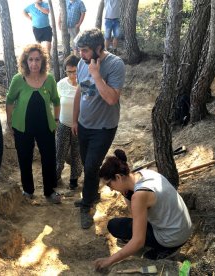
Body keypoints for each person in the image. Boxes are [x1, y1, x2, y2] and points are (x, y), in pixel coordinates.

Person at [94, 150, 192, 270]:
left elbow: (138, 241)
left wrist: (109, 260)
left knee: (114, 226)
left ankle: (165, 251)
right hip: (182, 229)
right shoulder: (144, 173)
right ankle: (162, 246)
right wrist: (125, 194)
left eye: (109, 185)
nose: (111, 189)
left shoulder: (139, 196)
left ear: (118, 177)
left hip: (171, 238)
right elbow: (135, 217)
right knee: (125, 226)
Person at [72, 28, 125, 229]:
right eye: (79, 50)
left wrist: (96, 74)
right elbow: (80, 91)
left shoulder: (115, 64)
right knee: (88, 164)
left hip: (103, 127)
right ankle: (92, 195)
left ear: (98, 48)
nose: (81, 54)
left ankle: (87, 206)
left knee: (92, 166)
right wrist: (75, 120)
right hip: (84, 124)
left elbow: (112, 98)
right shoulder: (81, 63)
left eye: (85, 50)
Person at [6, 44, 61, 204]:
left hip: (45, 127)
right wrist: (9, 121)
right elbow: (9, 100)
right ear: (25, 61)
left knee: (49, 158)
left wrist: (56, 120)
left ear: (42, 61)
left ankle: (49, 191)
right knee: (24, 158)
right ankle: (28, 190)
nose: (34, 63)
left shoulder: (49, 79)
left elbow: (56, 101)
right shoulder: (18, 79)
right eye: (31, 59)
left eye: (37, 59)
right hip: (23, 127)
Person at [55, 54, 82, 190]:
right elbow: (54, 103)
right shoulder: (60, 84)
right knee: (60, 152)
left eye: (75, 71)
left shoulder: (85, 84)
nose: (72, 75)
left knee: (77, 154)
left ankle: (73, 180)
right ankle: (56, 177)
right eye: (69, 71)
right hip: (63, 124)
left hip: (80, 125)